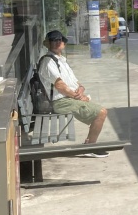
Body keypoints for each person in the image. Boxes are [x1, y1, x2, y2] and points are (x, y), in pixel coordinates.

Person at [39, 30, 109, 158]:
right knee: (101, 112)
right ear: (48, 44)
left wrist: (81, 89)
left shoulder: (62, 61)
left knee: (100, 112)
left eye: (60, 40)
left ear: (64, 43)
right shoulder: (48, 62)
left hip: (69, 98)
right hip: (60, 101)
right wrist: (78, 97)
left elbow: (75, 82)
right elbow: (60, 86)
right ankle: (90, 147)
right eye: (53, 40)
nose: (57, 42)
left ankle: (89, 144)